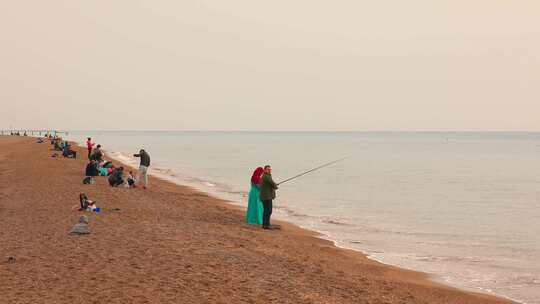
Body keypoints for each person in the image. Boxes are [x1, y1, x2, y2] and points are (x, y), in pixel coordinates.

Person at [259, 165, 278, 230]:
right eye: (268, 169)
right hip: (267, 197)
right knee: (268, 211)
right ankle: (266, 225)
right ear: (265, 170)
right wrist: (275, 186)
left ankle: (265, 224)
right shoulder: (266, 176)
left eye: (270, 169)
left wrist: (274, 185)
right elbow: (272, 183)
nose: (269, 170)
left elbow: (270, 183)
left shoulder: (265, 176)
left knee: (266, 211)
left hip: (265, 196)